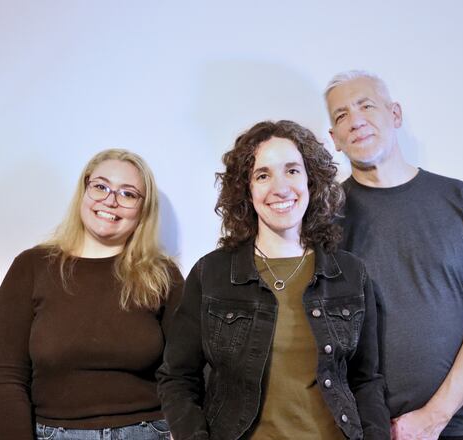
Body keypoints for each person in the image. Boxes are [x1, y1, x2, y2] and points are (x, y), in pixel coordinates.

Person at [158, 120, 389, 440]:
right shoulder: (211, 274)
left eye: (292, 171)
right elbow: (177, 378)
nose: (280, 187)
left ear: (312, 181)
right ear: (246, 189)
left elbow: (367, 381)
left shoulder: (350, 274)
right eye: (263, 175)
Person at [325, 70, 463, 440]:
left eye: (366, 105)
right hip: (357, 429)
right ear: (335, 140)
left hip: (451, 426)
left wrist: (432, 419)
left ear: (395, 115)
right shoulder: (324, 219)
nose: (355, 119)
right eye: (341, 115)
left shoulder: (461, 200)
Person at [0, 148, 183, 440]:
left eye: (128, 194)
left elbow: (185, 373)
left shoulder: (162, 275)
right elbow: (7, 379)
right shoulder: (32, 267)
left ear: (143, 208)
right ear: (84, 190)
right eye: (100, 187)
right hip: (56, 433)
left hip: (147, 432)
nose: (110, 200)